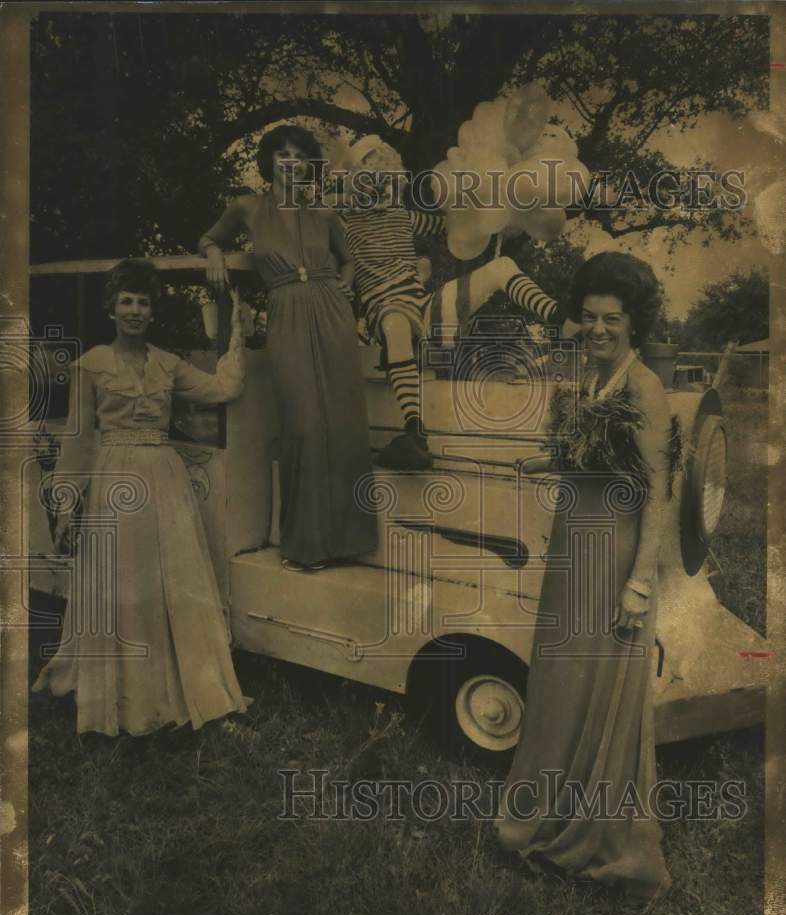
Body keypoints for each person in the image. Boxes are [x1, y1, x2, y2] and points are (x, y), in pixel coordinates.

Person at [495, 251, 681, 902]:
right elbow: (591, 461)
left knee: (597, 681)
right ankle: (546, 812)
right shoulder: (588, 377)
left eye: (613, 319)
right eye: (591, 317)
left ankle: (605, 842)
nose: (599, 329)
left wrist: (638, 585)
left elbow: (660, 494)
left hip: (615, 555)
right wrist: (543, 464)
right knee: (560, 677)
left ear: (635, 323)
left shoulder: (645, 389)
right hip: (575, 543)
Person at [33, 258, 251, 736]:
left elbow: (221, 389)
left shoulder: (169, 364)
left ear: (152, 312)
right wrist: (69, 502)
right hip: (113, 480)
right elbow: (79, 439)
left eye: (143, 303)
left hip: (165, 477)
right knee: (122, 584)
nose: (134, 311)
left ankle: (184, 684)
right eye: (126, 301)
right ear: (111, 309)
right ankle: (122, 696)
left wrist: (238, 332)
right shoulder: (91, 364)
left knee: (174, 581)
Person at [336, 136, 579, 471]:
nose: (380, 191)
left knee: (501, 267)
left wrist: (493, 212)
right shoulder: (344, 224)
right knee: (396, 325)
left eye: (387, 181)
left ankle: (560, 318)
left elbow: (454, 225)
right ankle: (414, 433)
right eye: (371, 182)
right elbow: (332, 260)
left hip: (425, 311)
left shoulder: (406, 218)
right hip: (388, 314)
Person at [198, 124, 377, 571]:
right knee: (302, 423)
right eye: (283, 155)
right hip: (285, 309)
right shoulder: (247, 206)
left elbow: (351, 259)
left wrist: (344, 286)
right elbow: (207, 238)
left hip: (331, 310)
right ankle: (304, 546)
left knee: (342, 420)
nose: (291, 163)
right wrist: (215, 256)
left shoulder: (324, 212)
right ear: (270, 161)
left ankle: (346, 541)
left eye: (299, 155)